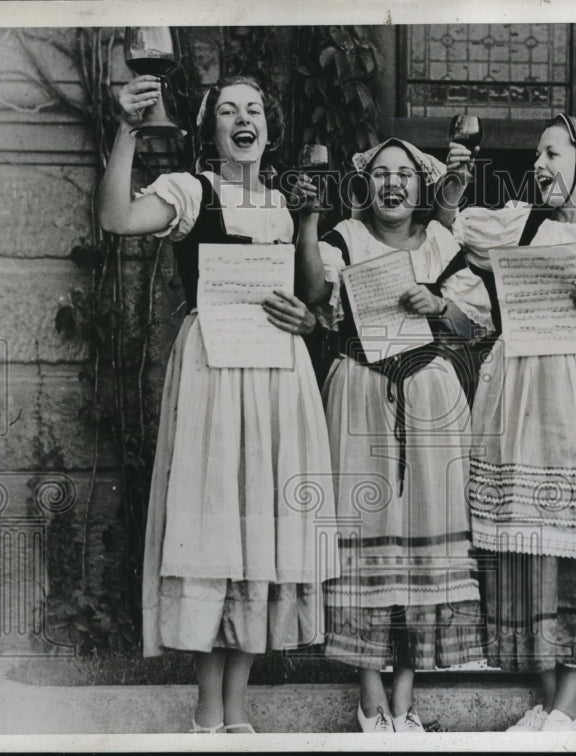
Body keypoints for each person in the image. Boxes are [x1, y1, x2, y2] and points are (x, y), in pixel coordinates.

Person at [97, 74, 339, 734]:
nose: (243, 118)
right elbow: (116, 219)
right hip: (212, 375)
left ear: (270, 125)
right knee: (213, 525)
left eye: (254, 108)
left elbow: (312, 298)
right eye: (228, 109)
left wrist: (305, 315)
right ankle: (208, 708)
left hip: (276, 380)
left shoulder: (286, 204)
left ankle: (238, 707)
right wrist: (128, 130)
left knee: (259, 526)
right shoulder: (188, 190)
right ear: (211, 128)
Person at [439, 114, 576, 732]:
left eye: (553, 154)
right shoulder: (519, 223)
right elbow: (449, 237)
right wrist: (451, 193)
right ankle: (544, 697)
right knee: (521, 547)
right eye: (538, 154)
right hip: (514, 398)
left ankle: (570, 705)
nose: (540, 166)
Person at [294, 138, 492, 733]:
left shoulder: (442, 244)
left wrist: (435, 302)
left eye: (404, 174)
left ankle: (406, 690)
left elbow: (474, 321)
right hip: (359, 388)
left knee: (424, 534)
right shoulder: (344, 241)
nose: (392, 185)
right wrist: (308, 228)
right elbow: (312, 296)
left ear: (420, 184)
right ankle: (369, 689)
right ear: (364, 184)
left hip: (428, 394)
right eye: (381, 174)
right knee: (366, 527)